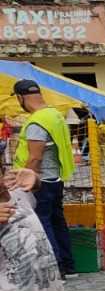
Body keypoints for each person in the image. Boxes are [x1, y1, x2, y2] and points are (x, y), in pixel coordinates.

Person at [12, 79, 76, 278]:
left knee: (42, 224)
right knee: (57, 221)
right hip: (56, 178)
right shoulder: (55, 115)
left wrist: (25, 182)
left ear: (21, 97)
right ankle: (68, 264)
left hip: (40, 182)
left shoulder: (37, 122)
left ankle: (56, 268)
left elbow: (35, 157)